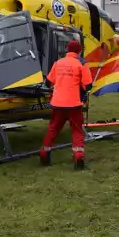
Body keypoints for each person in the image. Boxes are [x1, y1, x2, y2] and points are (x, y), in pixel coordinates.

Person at [39, 39, 93, 170]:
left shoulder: (58, 63)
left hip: (57, 103)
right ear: (79, 51)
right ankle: (78, 157)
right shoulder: (82, 63)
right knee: (76, 130)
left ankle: (44, 153)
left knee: (53, 129)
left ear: (67, 50)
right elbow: (88, 85)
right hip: (74, 104)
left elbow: (47, 83)